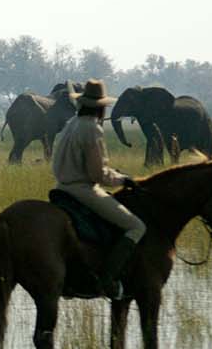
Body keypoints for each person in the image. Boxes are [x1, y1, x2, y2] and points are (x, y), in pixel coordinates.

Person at [51, 79, 146, 298]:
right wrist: (123, 179)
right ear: (101, 107)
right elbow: (97, 175)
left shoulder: (71, 123)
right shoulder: (92, 129)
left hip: (61, 188)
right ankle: (107, 281)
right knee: (136, 226)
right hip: (83, 190)